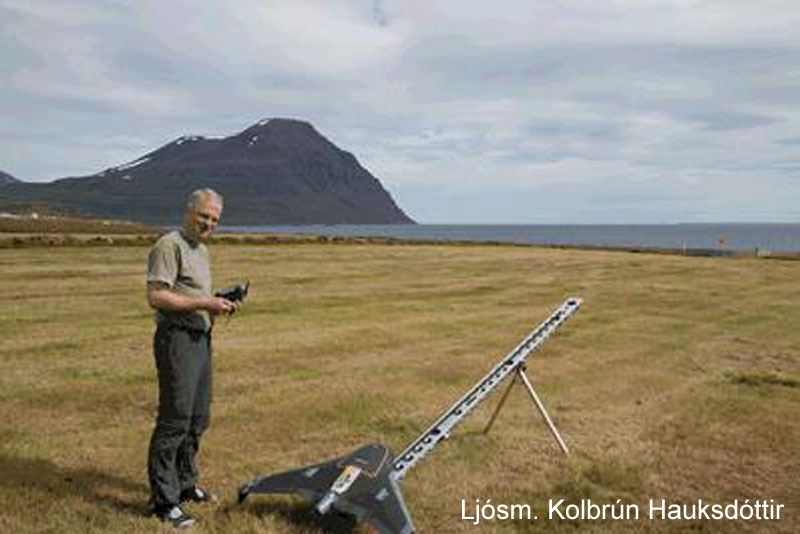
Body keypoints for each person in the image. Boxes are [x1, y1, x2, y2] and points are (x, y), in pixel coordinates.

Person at [145, 188, 236, 528]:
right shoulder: (169, 244)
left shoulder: (202, 250)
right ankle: (163, 501)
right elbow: (156, 296)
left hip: (201, 339)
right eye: (204, 216)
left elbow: (195, 294)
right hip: (176, 341)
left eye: (214, 219)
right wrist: (204, 304)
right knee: (175, 420)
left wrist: (218, 302)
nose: (208, 223)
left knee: (198, 418)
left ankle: (185, 485)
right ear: (188, 211)